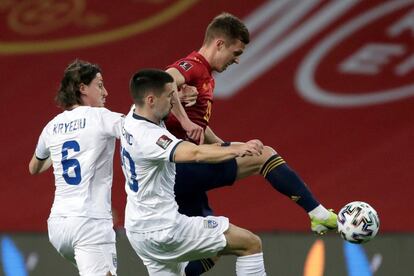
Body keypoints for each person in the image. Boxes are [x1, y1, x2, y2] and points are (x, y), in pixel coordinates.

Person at [165, 13, 338, 274]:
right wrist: (184, 120)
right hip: (178, 167)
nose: (237, 60)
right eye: (235, 52)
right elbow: (164, 80)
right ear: (219, 44)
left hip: (179, 176)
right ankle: (318, 213)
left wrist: (226, 146)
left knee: (213, 249)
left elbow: (198, 124)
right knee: (264, 155)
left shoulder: (205, 77)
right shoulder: (195, 66)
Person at [122, 69, 267, 275]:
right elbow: (196, 153)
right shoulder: (150, 136)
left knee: (212, 250)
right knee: (249, 244)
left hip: (138, 231)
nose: (174, 101)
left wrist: (179, 95)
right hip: (164, 229)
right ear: (151, 100)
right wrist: (238, 149)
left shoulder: (132, 117)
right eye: (170, 96)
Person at [28, 60, 123, 276]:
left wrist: (59, 150)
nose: (105, 92)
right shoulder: (102, 117)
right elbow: (140, 129)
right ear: (82, 88)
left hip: (58, 227)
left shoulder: (52, 126)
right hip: (89, 223)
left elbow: (34, 167)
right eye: (99, 85)